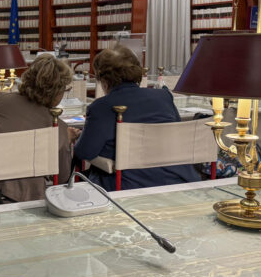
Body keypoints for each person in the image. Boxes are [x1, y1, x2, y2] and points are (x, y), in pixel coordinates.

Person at [73, 46, 200, 191]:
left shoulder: (101, 107)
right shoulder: (163, 97)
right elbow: (176, 136)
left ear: (103, 79)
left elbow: (84, 152)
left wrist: (76, 137)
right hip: (177, 179)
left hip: (127, 185)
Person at [0, 54, 74, 202]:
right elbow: (62, 178)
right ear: (57, 91)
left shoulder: (1, 101)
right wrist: (67, 140)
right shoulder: (57, 126)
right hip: (28, 198)